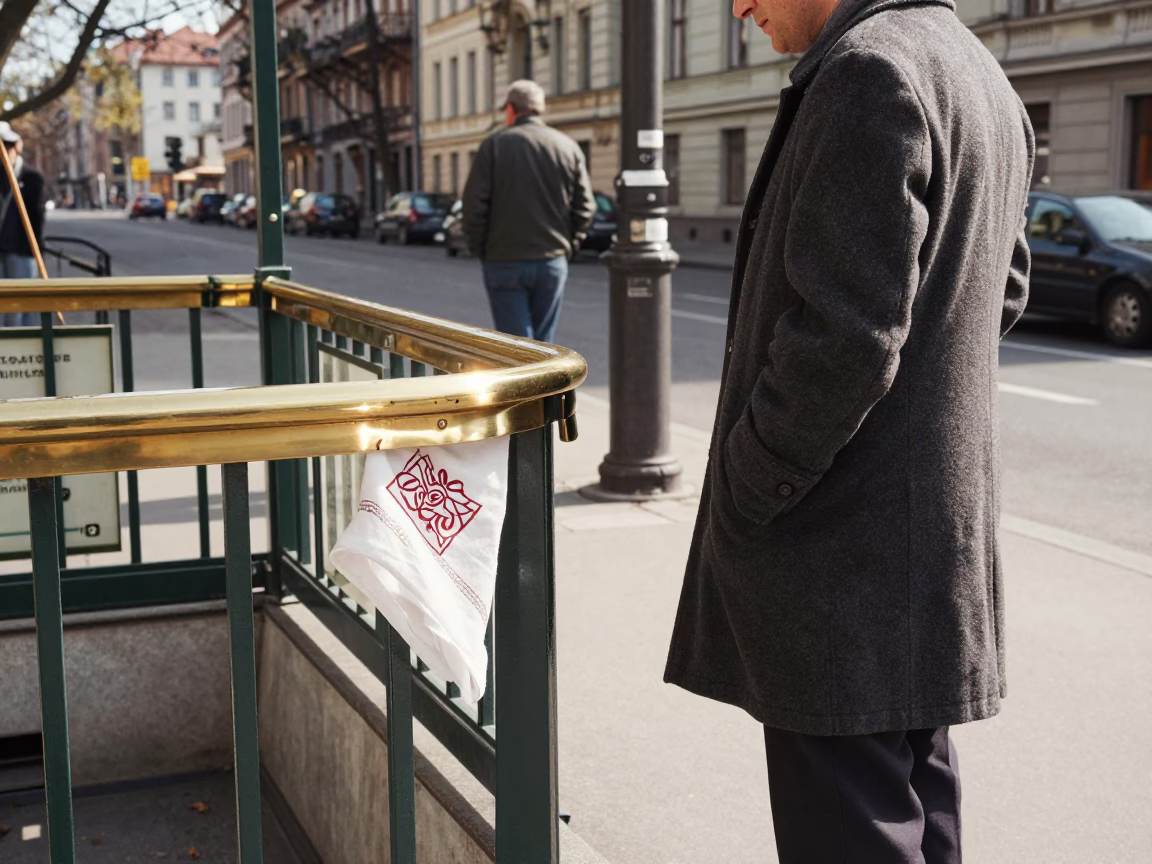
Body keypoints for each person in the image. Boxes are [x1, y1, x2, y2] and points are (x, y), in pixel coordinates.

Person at [663, 1, 1034, 862]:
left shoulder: (868, 72)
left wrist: (749, 485)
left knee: (851, 829)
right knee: (917, 801)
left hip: (842, 550)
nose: (738, 7)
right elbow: (1004, 291)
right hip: (925, 534)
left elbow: (846, 338)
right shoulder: (975, 69)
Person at [462, 79, 594, 344]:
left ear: (511, 109)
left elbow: (474, 206)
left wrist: (480, 249)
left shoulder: (495, 145)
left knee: (516, 349)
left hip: (504, 259)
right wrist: (570, 244)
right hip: (551, 260)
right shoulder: (567, 147)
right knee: (543, 348)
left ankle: (527, 385)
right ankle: (545, 386)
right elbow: (585, 207)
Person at [0, 121, 45, 326]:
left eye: (7, 146)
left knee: (23, 304)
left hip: (21, 250)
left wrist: (36, 251)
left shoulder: (31, 177)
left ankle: (25, 351)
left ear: (16, 147)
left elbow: (36, 217)